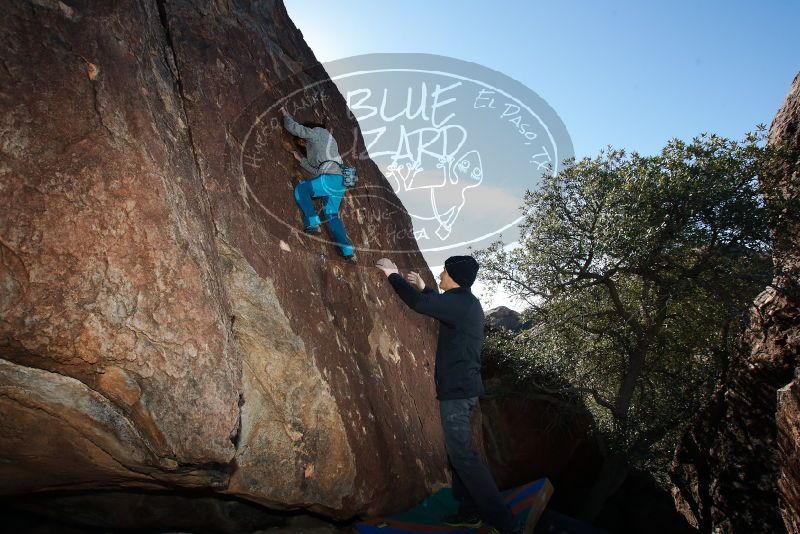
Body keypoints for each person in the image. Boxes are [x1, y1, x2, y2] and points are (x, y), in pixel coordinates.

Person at [375, 256, 520, 534]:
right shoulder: (465, 303)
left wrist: (392, 275)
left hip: (457, 391)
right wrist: (424, 287)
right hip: (463, 388)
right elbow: (436, 304)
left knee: (463, 456)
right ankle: (469, 511)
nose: (440, 274)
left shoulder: (460, 303)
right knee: (460, 455)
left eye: (444, 271)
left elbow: (419, 305)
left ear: (453, 275)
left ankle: (505, 523)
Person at [280, 106, 356, 262]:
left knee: (302, 190)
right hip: (338, 182)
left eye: (302, 140)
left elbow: (295, 128)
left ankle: (313, 223)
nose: (302, 143)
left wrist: (286, 115)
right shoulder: (324, 145)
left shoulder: (318, 133)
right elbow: (317, 170)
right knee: (331, 215)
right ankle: (348, 250)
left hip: (331, 178)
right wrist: (301, 160)